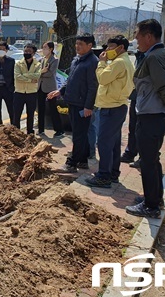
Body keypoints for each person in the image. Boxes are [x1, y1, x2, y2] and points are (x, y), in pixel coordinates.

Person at [125, 19, 165, 218]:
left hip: (151, 117)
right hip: (159, 116)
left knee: (148, 161)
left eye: (138, 35)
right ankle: (154, 197)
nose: (136, 39)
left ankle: (151, 206)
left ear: (148, 36)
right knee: (153, 159)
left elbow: (163, 87)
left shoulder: (153, 58)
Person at [84, 35, 135, 188]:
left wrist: (101, 63)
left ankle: (104, 176)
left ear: (121, 48)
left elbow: (103, 78)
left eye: (111, 46)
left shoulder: (119, 62)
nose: (107, 50)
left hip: (111, 108)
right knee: (113, 143)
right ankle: (113, 172)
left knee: (104, 143)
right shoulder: (125, 61)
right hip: (116, 105)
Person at [48, 34, 99, 173]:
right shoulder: (77, 60)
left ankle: (72, 164)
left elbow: (93, 86)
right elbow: (69, 79)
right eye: (77, 43)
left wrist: (88, 106)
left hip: (82, 105)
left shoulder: (92, 62)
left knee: (79, 135)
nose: (77, 46)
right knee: (79, 133)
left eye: (81, 44)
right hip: (73, 101)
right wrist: (60, 91)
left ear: (90, 46)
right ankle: (82, 160)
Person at [120, 50, 145, 166]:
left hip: (146, 100)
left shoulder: (152, 56)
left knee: (143, 130)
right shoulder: (139, 56)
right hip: (136, 97)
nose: (136, 41)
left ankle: (143, 157)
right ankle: (130, 153)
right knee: (133, 127)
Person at [12, 43, 41, 134]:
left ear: (33, 53)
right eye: (25, 51)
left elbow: (37, 76)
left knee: (30, 114)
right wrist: (30, 79)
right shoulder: (18, 64)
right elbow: (17, 76)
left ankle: (30, 132)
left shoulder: (38, 65)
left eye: (29, 51)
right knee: (17, 114)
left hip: (31, 93)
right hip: (19, 92)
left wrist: (24, 76)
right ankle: (16, 132)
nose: (27, 53)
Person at [37, 41, 64, 137]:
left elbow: (50, 73)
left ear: (51, 49)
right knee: (41, 108)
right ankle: (40, 129)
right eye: (43, 48)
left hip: (50, 88)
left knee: (53, 108)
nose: (43, 50)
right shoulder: (41, 59)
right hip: (40, 86)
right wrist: (41, 72)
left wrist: (40, 73)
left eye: (45, 48)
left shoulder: (54, 60)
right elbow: (37, 72)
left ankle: (59, 129)